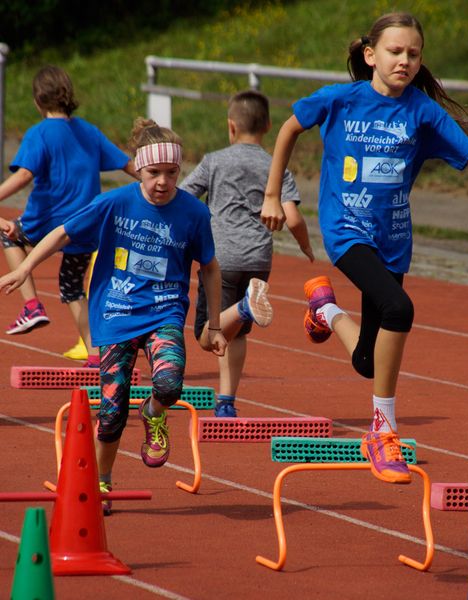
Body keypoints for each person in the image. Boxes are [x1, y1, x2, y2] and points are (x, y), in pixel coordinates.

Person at [261, 12, 468, 484]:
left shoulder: (422, 111)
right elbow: (287, 130)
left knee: (366, 361)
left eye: (413, 54)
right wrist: (273, 194)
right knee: (399, 308)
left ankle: (325, 312)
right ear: (370, 55)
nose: (404, 61)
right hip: (346, 229)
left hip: (394, 239)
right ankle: (382, 430)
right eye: (395, 52)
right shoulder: (341, 99)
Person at [0, 117, 227, 515]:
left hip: (164, 312)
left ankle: (154, 411)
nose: (162, 182)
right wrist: (24, 268)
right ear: (139, 168)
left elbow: (209, 266)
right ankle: (102, 480)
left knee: (170, 382)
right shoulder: (115, 202)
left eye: (171, 174)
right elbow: (61, 233)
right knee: (111, 410)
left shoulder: (193, 213)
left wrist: (215, 322)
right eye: (154, 173)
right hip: (116, 313)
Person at [181, 89, 314, 417]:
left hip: (221, 259)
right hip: (258, 260)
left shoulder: (214, 161)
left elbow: (183, 196)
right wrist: (306, 246)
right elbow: (293, 217)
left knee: (204, 336)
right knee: (235, 332)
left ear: (231, 126)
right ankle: (226, 402)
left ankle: (243, 307)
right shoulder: (276, 167)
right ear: (268, 125)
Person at [0, 65, 137, 367]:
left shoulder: (39, 133)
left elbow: (24, 174)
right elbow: (128, 164)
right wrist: (156, 185)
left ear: (38, 101)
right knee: (73, 286)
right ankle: (94, 354)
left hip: (46, 220)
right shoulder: (88, 131)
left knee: (8, 235)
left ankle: (32, 305)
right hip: (86, 225)